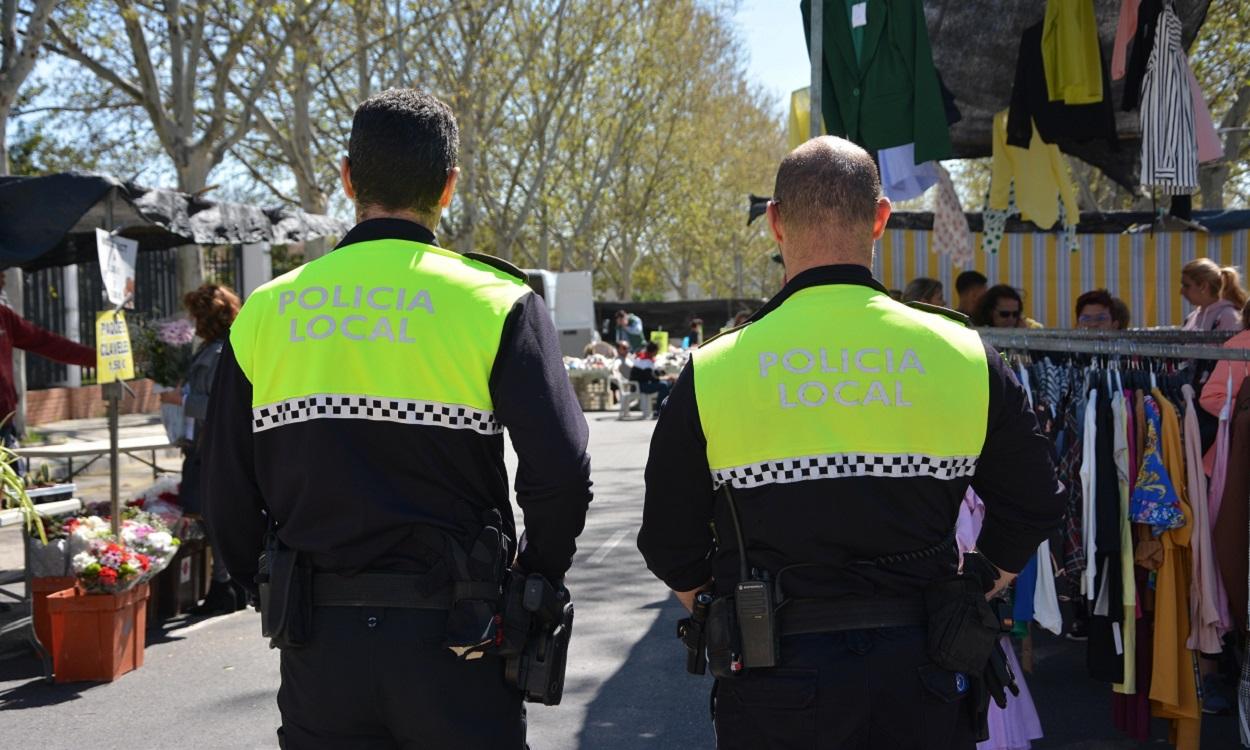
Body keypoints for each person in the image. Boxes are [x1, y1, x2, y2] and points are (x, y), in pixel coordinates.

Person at [637, 136, 1065, 749]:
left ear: (776, 223)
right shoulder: (964, 354)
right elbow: (1036, 502)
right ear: (882, 219)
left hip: (775, 677)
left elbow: (666, 542)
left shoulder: (715, 369)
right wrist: (975, 583)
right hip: (927, 670)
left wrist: (728, 609)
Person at [201, 89, 592, 748]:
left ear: (348, 178)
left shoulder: (265, 313)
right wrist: (533, 579)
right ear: (449, 186)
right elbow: (561, 472)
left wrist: (266, 586)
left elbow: (225, 490)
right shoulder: (496, 301)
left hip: (318, 643)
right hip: (458, 641)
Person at [169, 283, 248, 616]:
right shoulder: (215, 349)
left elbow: (219, 404)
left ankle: (225, 585)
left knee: (212, 515)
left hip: (210, 448)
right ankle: (228, 585)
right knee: (210, 514)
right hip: (205, 445)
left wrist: (181, 400)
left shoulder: (218, 353)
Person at [0, 272, 95, 445]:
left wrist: (98, 359)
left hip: (4, 426)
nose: (4, 276)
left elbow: (48, 342)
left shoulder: (4, 317)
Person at [1181, 258, 1247, 332]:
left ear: (1203, 286)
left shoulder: (1228, 317)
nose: (1181, 291)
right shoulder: (1191, 318)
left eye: (1186, 286)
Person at [628, 341, 671, 418]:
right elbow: (653, 379)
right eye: (656, 351)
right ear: (654, 351)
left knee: (667, 383)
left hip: (641, 384)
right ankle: (658, 411)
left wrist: (665, 375)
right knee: (664, 385)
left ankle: (665, 408)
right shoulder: (645, 361)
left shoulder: (645, 358)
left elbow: (653, 373)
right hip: (639, 386)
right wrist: (666, 378)